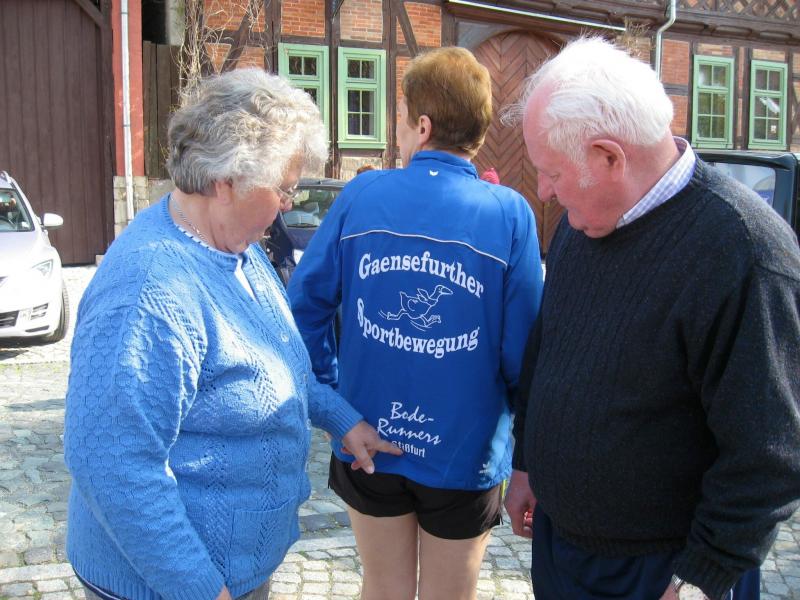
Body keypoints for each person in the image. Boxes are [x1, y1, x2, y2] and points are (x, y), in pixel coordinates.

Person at [63, 68, 400, 600]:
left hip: (236, 569)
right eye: (283, 188)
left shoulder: (238, 250)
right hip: (169, 586)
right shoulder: (147, 292)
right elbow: (113, 468)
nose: (288, 204)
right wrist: (202, 589)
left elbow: (277, 365)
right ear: (227, 182)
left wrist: (340, 418)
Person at [503, 36, 800, 600]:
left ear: (610, 157)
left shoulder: (743, 251)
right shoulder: (582, 223)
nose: (542, 192)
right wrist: (527, 462)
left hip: (666, 570)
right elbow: (548, 352)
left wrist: (703, 577)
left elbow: (769, 452)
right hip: (564, 547)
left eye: (553, 173)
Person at [287, 46, 544, 600]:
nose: (400, 130)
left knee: (383, 588)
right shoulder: (510, 214)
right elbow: (524, 355)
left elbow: (303, 308)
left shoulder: (363, 194)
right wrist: (522, 450)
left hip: (367, 437)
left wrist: (332, 400)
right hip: (463, 449)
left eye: (401, 118)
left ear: (422, 126)